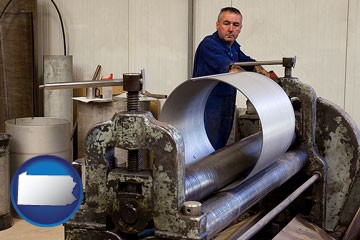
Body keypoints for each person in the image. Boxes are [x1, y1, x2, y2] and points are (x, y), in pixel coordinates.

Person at [192, 6, 269, 150]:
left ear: (240, 28)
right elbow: (233, 69)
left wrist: (269, 77)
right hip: (207, 108)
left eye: (236, 25)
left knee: (220, 150)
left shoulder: (233, 48)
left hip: (225, 107)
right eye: (226, 23)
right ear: (217, 25)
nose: (231, 29)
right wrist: (258, 86)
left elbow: (249, 63)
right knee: (206, 151)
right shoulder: (209, 45)